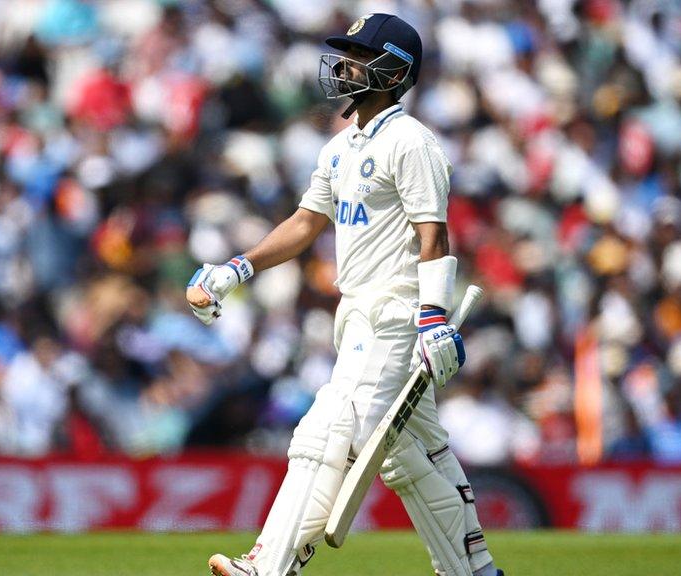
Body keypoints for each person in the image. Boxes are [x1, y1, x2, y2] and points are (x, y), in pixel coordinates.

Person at [187, 13, 502, 576]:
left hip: (396, 315)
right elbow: (307, 223)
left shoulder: (412, 142)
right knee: (416, 458)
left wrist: (432, 317)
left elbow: (433, 231)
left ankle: (270, 565)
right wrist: (237, 269)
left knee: (326, 429)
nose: (344, 64)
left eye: (359, 54)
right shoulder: (340, 147)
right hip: (356, 313)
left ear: (391, 71)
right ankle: (475, 572)